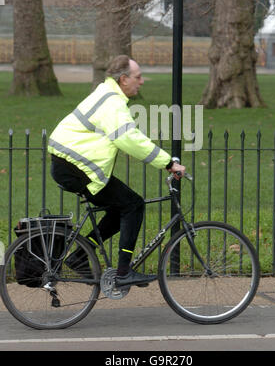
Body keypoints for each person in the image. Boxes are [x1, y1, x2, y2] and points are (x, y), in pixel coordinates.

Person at [48, 55, 185, 288]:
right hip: (75, 167)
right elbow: (128, 139)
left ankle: (81, 254)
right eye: (138, 77)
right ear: (123, 79)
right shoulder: (112, 102)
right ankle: (123, 272)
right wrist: (168, 163)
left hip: (72, 165)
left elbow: (129, 136)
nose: (141, 82)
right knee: (134, 205)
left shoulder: (108, 95)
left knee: (120, 206)